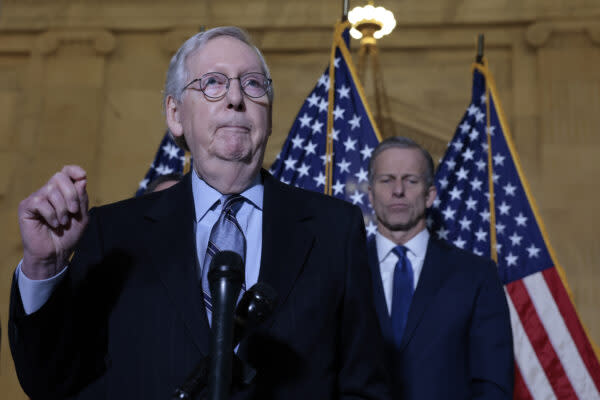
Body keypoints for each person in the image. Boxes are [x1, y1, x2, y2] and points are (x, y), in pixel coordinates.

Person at [9, 27, 390, 400]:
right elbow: (50, 383)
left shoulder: (334, 230)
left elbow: (365, 385)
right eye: (213, 82)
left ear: (269, 115)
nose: (236, 97)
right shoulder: (114, 232)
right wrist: (43, 267)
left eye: (254, 84)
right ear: (175, 114)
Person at [366, 136, 514, 399]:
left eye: (411, 180)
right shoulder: (340, 268)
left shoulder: (476, 275)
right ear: (370, 193)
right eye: (386, 179)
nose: (398, 190)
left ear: (430, 195)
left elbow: (492, 384)